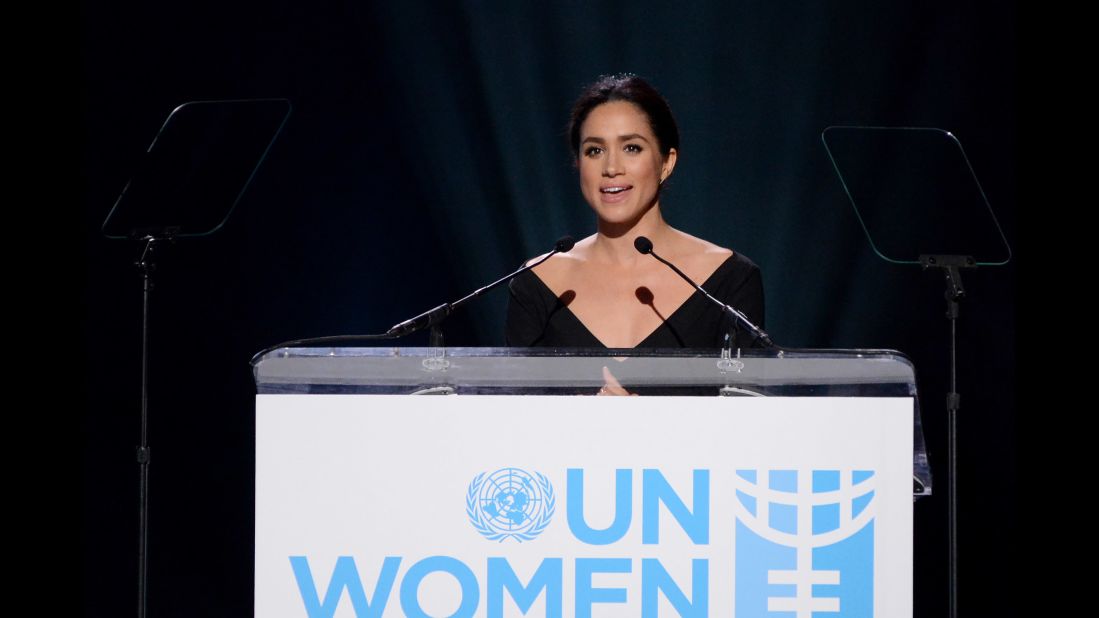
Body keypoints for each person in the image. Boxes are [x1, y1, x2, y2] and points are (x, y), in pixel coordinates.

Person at [505, 73, 764, 355]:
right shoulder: (537, 281)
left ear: (667, 162)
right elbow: (517, 398)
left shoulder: (728, 280)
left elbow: (745, 395)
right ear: (578, 164)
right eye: (595, 150)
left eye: (631, 148)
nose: (611, 167)